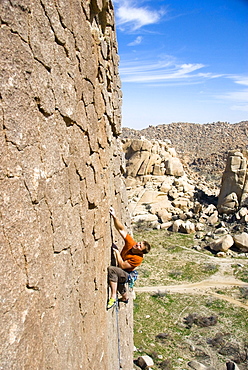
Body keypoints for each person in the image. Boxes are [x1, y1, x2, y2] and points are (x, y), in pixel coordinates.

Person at [107, 207, 151, 309]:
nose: (137, 245)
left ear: (141, 252)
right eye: (139, 243)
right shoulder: (131, 243)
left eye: (140, 246)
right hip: (123, 272)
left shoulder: (138, 259)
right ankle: (125, 298)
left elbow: (122, 265)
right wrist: (114, 216)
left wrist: (117, 252)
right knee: (119, 283)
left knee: (112, 270)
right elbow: (121, 229)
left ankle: (113, 297)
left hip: (126, 273)